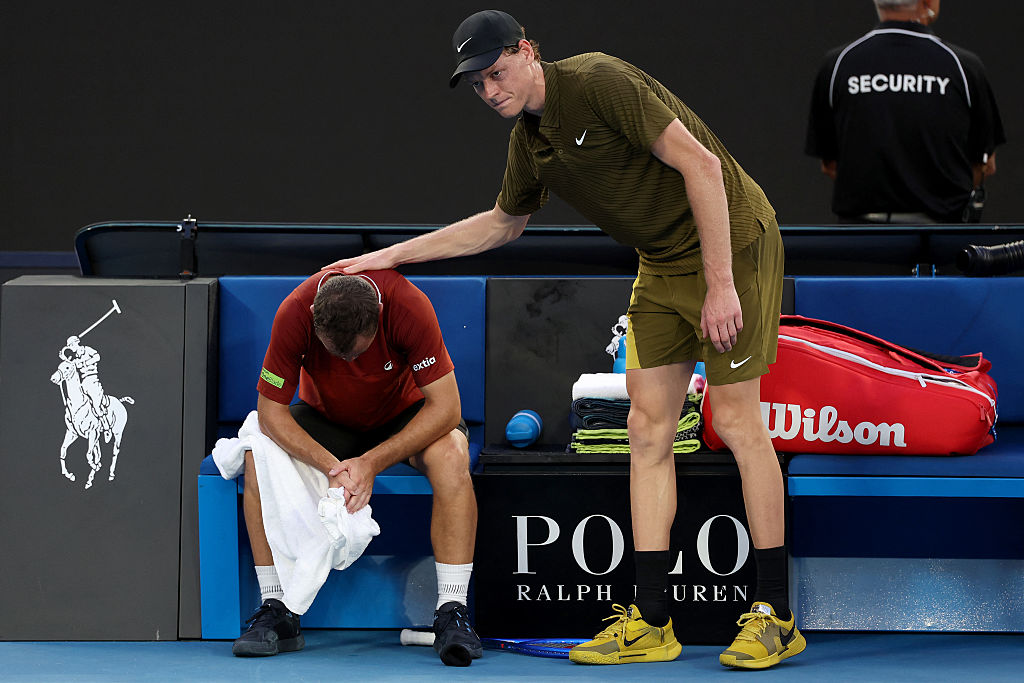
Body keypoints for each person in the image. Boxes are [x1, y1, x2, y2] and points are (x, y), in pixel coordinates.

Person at [329, 9, 803, 670]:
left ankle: (774, 613)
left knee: (735, 419)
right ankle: (653, 619)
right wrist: (390, 257)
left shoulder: (599, 81)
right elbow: (502, 224)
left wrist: (721, 282)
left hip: (736, 242)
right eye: (478, 83)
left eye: (497, 72)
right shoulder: (530, 145)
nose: (490, 90)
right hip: (663, 262)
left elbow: (702, 166)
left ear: (527, 52)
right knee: (645, 428)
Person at [232, 269, 482, 667]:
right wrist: (333, 466)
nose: (348, 361)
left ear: (379, 314)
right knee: (256, 456)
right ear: (314, 314)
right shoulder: (295, 311)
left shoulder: (407, 305)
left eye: (357, 353)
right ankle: (277, 609)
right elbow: (270, 413)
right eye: (337, 354)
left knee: (451, 452)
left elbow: (447, 408)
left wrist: (371, 462)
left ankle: (452, 611)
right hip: (328, 421)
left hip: (405, 416)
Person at [806, 0, 1005, 223]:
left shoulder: (837, 65)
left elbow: (830, 165)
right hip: (944, 241)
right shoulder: (964, 67)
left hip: (859, 243)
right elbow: (985, 164)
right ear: (928, 2)